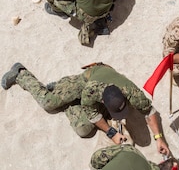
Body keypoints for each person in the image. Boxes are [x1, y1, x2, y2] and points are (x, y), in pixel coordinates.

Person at [1, 62, 169, 155]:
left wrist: (159, 138)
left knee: (84, 130)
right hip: (85, 82)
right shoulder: (90, 92)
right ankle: (21, 73)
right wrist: (111, 133)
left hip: (102, 85)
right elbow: (93, 114)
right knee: (49, 103)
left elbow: (149, 111)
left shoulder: (131, 92)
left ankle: (61, 91)